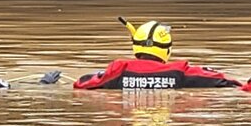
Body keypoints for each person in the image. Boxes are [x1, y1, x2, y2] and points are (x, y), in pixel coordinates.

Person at [74, 18, 240, 90]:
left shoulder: (117, 70)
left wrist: (48, 85)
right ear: (167, 48)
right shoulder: (181, 70)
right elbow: (226, 82)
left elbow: (82, 84)